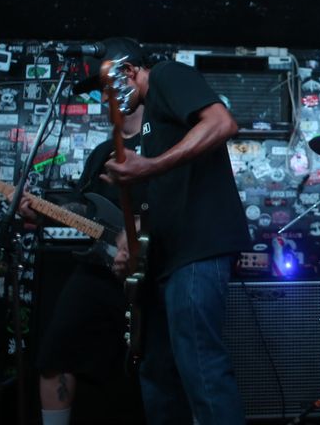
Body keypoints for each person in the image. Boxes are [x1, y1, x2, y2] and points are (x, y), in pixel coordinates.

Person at [98, 37, 250, 425]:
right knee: (158, 374)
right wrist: (130, 241)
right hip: (166, 259)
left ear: (128, 70)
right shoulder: (152, 119)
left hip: (198, 247)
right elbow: (165, 194)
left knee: (201, 367)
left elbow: (222, 123)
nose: (105, 99)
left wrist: (149, 167)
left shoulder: (167, 75)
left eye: (108, 88)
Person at [23, 55, 147, 425]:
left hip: (151, 272)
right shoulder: (100, 152)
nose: (104, 97)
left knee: (156, 367)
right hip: (100, 268)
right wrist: (41, 212)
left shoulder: (163, 141)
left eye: (108, 87)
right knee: (53, 357)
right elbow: (86, 208)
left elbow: (180, 202)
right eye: (99, 92)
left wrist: (138, 230)